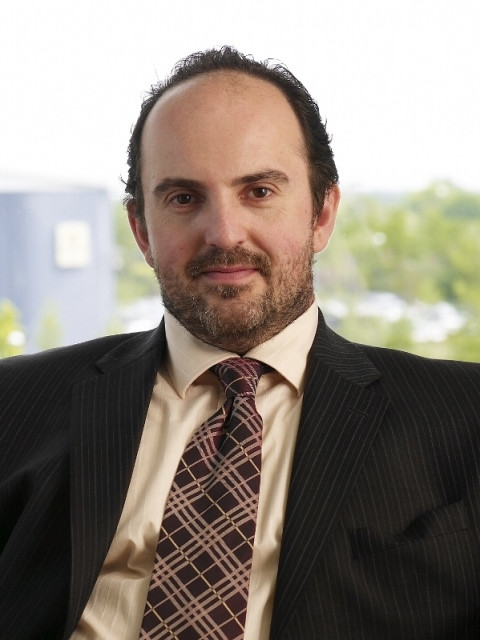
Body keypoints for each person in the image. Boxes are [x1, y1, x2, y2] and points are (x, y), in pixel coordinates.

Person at [0, 46, 479, 640]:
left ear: (322, 214)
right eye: (183, 198)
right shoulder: (13, 403)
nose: (224, 234)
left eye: (258, 191)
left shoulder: (464, 415)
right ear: (141, 231)